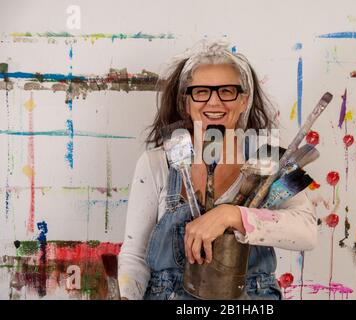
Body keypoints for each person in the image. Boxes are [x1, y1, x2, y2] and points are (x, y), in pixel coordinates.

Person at [118, 40, 317, 300]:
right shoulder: (158, 163)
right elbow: (135, 255)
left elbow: (307, 233)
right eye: (201, 92)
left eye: (226, 91)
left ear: (244, 100)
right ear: (186, 101)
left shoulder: (267, 156)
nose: (214, 102)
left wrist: (231, 215)